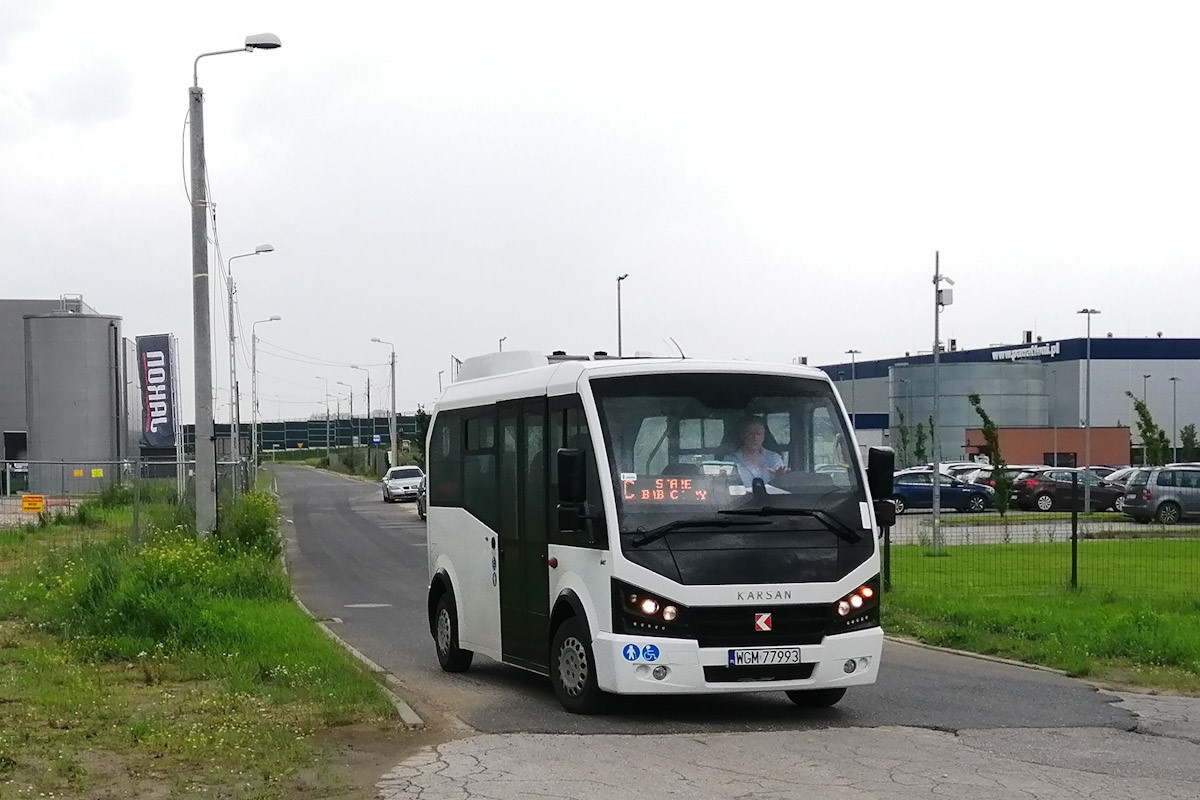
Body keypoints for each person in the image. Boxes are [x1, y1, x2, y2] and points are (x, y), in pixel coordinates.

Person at [727, 416, 787, 487]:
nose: (755, 438)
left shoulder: (774, 458)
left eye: (758, 434)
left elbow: (782, 487)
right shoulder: (730, 461)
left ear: (764, 437)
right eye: (751, 434)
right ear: (742, 435)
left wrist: (780, 477)